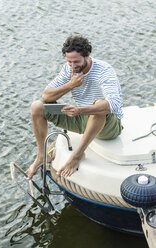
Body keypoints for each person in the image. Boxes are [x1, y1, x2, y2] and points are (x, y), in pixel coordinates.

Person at [27, 35, 123, 179]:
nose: (73, 66)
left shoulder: (104, 71)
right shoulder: (69, 69)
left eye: (76, 61)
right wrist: (71, 84)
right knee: (37, 106)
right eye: (69, 61)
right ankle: (42, 156)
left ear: (87, 55)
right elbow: (46, 96)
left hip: (108, 126)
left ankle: (78, 155)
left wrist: (80, 110)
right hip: (80, 119)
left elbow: (113, 105)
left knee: (98, 106)